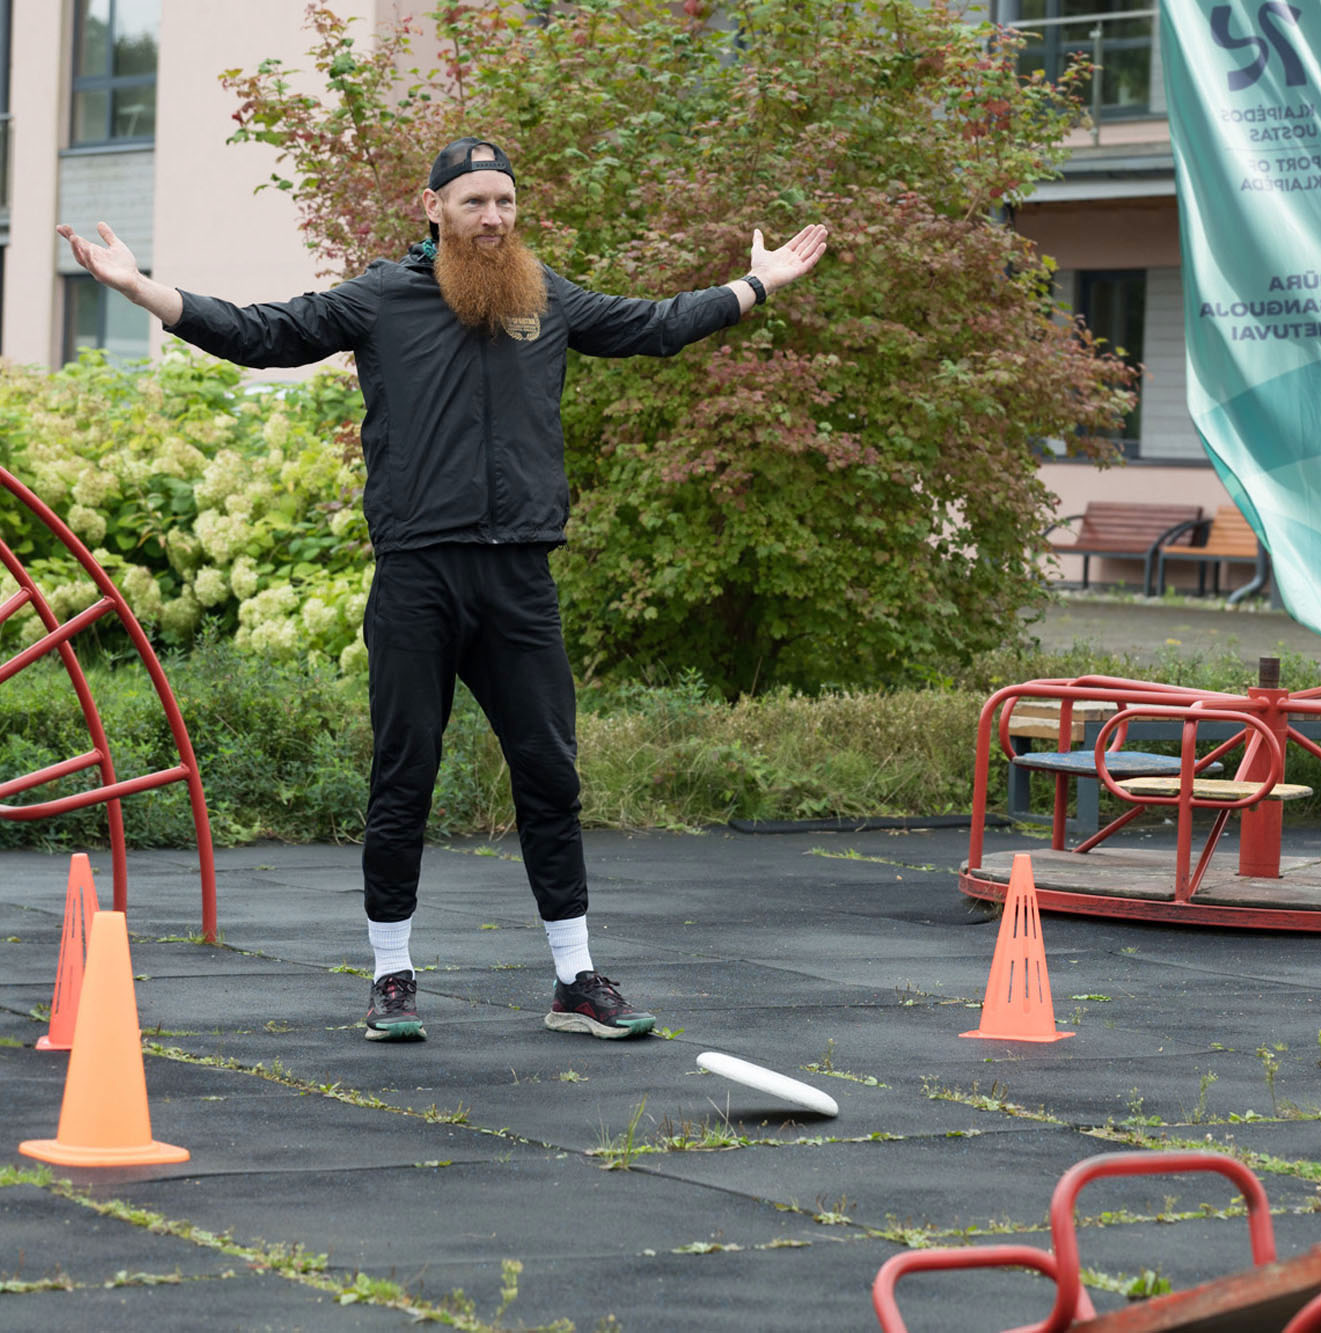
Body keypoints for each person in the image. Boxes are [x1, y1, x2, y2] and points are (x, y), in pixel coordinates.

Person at [59, 137, 828, 1044]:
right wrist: (142, 289)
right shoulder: (380, 297)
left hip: (520, 576)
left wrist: (758, 283)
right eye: (474, 202)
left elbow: (653, 326)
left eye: (505, 202)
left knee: (550, 775)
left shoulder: (546, 296)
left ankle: (575, 980)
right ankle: (391, 977)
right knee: (405, 775)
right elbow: (263, 334)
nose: (493, 218)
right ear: (433, 208)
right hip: (418, 575)